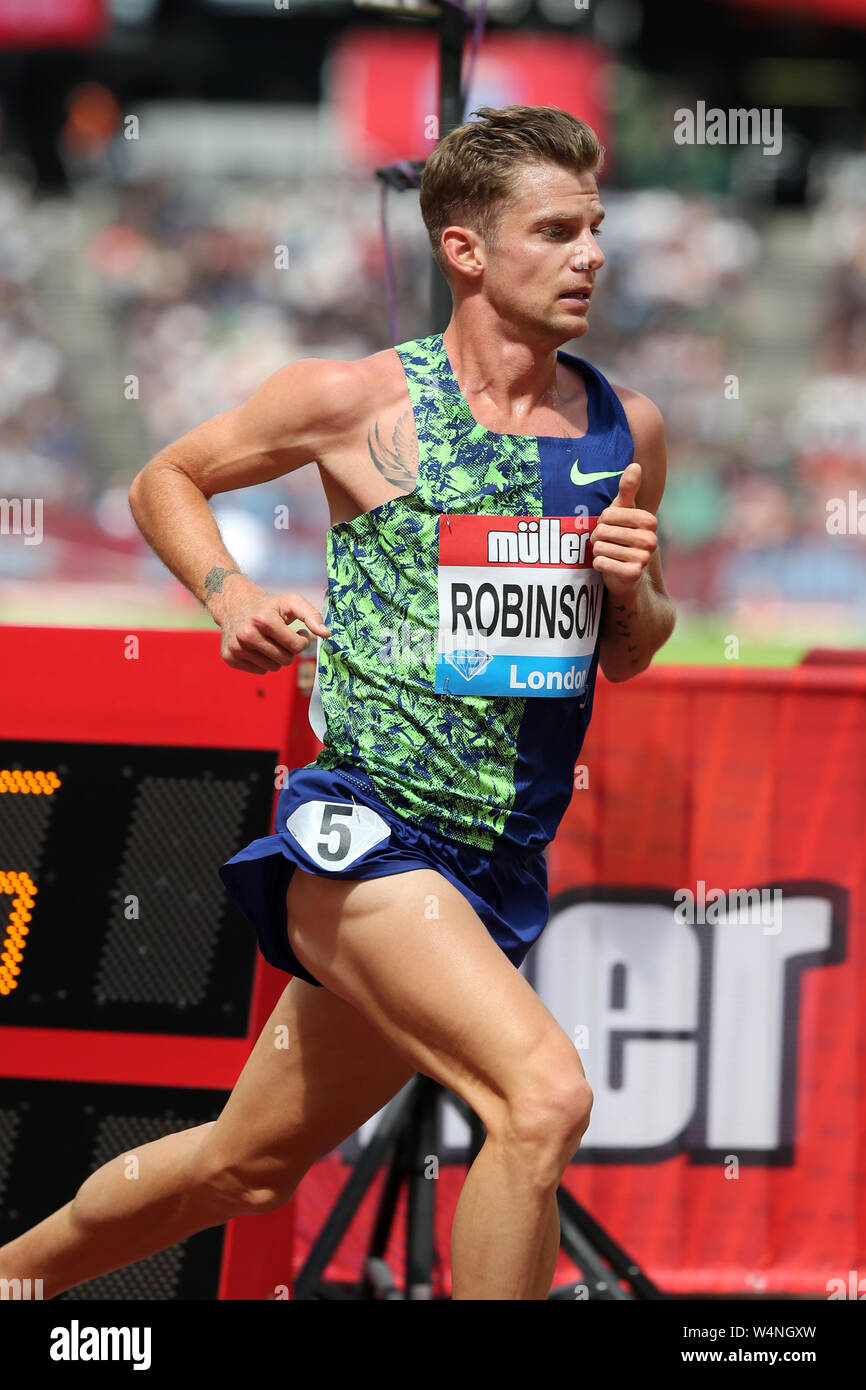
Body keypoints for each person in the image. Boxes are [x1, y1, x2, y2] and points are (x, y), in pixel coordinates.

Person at [0, 104, 675, 1301]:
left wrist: (631, 590)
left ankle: (18, 1278)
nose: (591, 255)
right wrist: (225, 594)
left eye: (597, 227)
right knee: (541, 1095)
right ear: (463, 250)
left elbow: (634, 649)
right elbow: (168, 476)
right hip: (363, 836)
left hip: (495, 864)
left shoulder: (625, 430)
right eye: (557, 230)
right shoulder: (354, 401)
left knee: (244, 1168)